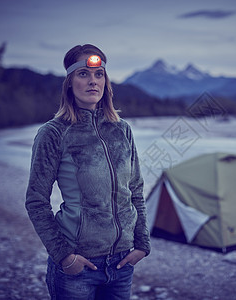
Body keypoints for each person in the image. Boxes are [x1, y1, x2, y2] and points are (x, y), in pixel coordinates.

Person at [25, 44, 150, 300]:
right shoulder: (54, 133)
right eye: (83, 74)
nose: (93, 81)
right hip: (78, 267)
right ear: (69, 83)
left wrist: (141, 245)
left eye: (98, 74)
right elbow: (36, 201)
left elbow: (135, 190)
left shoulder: (122, 130)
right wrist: (64, 256)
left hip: (122, 264)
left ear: (106, 81)